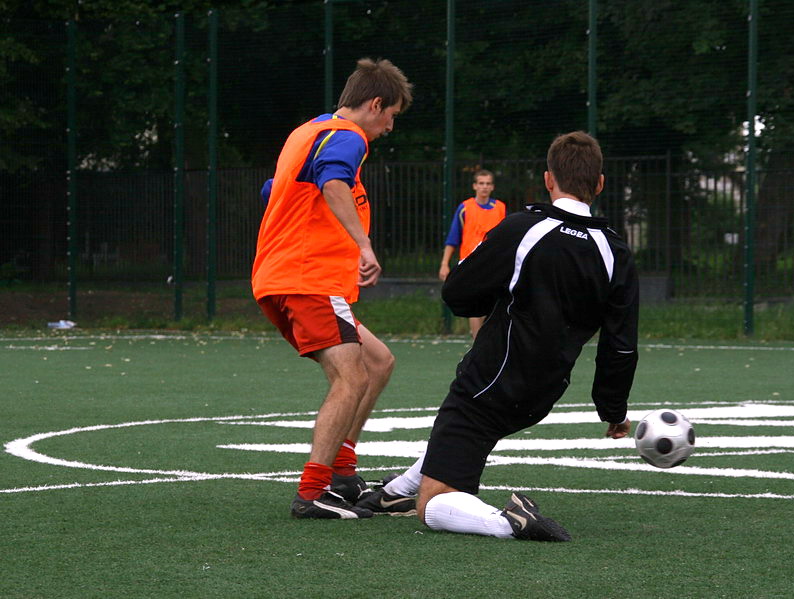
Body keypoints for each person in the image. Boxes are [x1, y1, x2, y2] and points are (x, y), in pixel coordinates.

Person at [358, 131, 639, 541]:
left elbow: (457, 294)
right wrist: (612, 411)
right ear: (599, 185)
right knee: (462, 436)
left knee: (433, 505)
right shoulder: (616, 252)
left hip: (490, 379)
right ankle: (395, 490)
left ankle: (507, 522)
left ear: (548, 179)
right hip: (544, 391)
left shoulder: (525, 228)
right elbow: (621, 345)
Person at [251, 58, 412, 520]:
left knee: (378, 361)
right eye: (391, 115)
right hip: (309, 280)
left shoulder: (308, 132)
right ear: (375, 104)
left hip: (289, 278)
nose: (389, 127)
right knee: (352, 377)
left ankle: (341, 473)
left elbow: (272, 191)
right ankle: (313, 491)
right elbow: (333, 178)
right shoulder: (347, 137)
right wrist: (364, 245)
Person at [438, 170, 506, 337]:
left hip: (495, 263)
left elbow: (507, 236)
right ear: (475, 186)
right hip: (472, 263)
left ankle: (490, 340)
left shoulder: (500, 208)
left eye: (488, 183)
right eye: (481, 183)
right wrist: (444, 264)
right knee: (476, 302)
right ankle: (476, 341)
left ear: (492, 187)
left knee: (495, 303)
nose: (484, 187)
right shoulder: (465, 208)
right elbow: (453, 239)